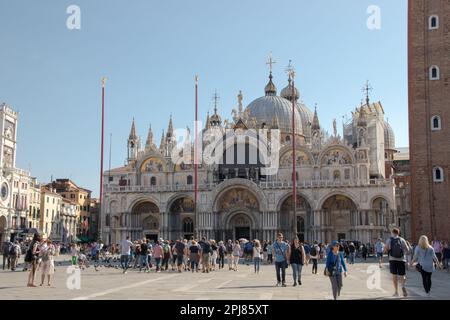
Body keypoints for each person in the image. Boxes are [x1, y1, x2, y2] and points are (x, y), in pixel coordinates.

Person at [384, 228, 411, 297]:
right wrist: (403, 253)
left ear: (392, 233)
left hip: (392, 259)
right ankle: (403, 286)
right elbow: (408, 250)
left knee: (394, 276)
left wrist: (387, 251)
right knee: (402, 275)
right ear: (398, 233)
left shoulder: (389, 239)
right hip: (401, 259)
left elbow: (386, 249)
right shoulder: (402, 239)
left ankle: (396, 292)